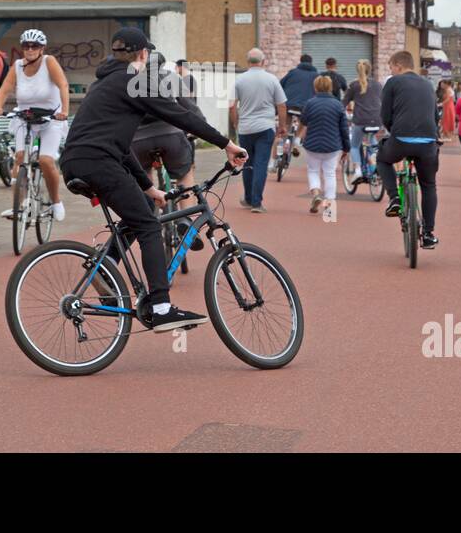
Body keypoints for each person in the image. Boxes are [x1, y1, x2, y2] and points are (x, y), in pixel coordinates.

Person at [60, 27, 245, 332]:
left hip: (77, 162)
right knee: (148, 225)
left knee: (138, 215)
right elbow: (181, 116)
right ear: (143, 54)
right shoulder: (135, 81)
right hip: (99, 162)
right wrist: (226, 144)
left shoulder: (103, 84)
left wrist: (147, 187)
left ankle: (106, 269)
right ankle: (160, 307)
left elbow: (118, 146)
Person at [0, 29, 71, 222]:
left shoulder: (48, 62)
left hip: (50, 118)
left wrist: (65, 111)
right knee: (20, 157)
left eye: (34, 46)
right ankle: (19, 207)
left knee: (45, 160)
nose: (30, 49)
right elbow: (5, 89)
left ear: (42, 48)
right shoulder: (17, 66)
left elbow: (63, 85)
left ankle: (56, 201)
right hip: (24, 117)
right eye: (26, 46)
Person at [130, 51, 204, 228]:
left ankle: (149, 217)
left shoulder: (130, 81)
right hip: (171, 137)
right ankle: (186, 219)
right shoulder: (173, 78)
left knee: (144, 175)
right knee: (185, 173)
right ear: (163, 65)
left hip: (138, 141)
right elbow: (189, 108)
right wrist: (200, 128)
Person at [376, 51, 440, 249]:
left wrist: (391, 129)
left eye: (391, 67)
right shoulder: (428, 85)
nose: (391, 71)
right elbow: (435, 115)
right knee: (428, 185)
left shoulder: (393, 83)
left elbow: (385, 114)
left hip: (401, 138)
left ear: (398, 65)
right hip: (428, 141)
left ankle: (394, 198)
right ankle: (428, 233)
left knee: (383, 159)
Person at [230, 48, 288, 212]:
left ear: (248, 62)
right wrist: (282, 126)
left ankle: (248, 198)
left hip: (245, 128)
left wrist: (236, 124)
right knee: (261, 163)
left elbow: (232, 106)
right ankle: (256, 203)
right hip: (265, 127)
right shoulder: (272, 79)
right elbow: (282, 105)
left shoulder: (239, 80)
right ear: (263, 62)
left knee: (247, 162)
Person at [297, 76, 349, 214]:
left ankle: (315, 194)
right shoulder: (338, 104)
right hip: (333, 145)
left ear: (315, 87)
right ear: (330, 87)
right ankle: (329, 208)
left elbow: (304, 121)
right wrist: (346, 148)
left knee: (313, 171)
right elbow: (344, 128)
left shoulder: (310, 103)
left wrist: (298, 139)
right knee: (330, 174)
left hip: (312, 145)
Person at [343, 59, 383, 183]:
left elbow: (343, 103)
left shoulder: (353, 85)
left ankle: (358, 170)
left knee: (354, 145)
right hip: (377, 120)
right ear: (370, 70)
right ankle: (376, 164)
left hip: (360, 120)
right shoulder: (377, 85)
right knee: (372, 142)